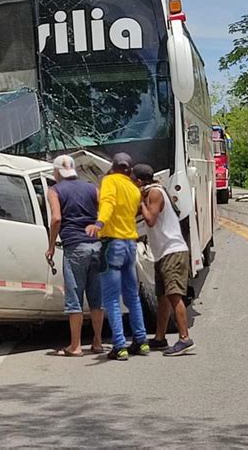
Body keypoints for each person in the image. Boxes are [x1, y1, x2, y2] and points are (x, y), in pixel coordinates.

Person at [86, 153, 149, 361]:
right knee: (132, 295)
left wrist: (100, 223)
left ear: (112, 167)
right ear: (130, 170)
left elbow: (108, 204)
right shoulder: (134, 189)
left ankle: (119, 345)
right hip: (130, 244)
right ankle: (141, 341)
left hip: (112, 243)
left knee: (112, 298)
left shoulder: (109, 181)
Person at [132, 163, 196, 356]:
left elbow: (150, 219)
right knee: (162, 298)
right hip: (162, 253)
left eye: (133, 180)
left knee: (174, 295)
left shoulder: (155, 193)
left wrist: (140, 201)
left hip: (173, 251)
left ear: (140, 181)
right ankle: (160, 338)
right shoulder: (150, 192)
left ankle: (185, 338)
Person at [46, 155, 104, 357]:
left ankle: (76, 345)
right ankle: (97, 342)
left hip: (74, 246)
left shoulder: (54, 191)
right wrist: (97, 226)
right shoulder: (91, 187)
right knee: (96, 298)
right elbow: (105, 210)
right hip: (96, 245)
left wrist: (51, 245)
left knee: (74, 298)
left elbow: (56, 219)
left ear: (56, 172)